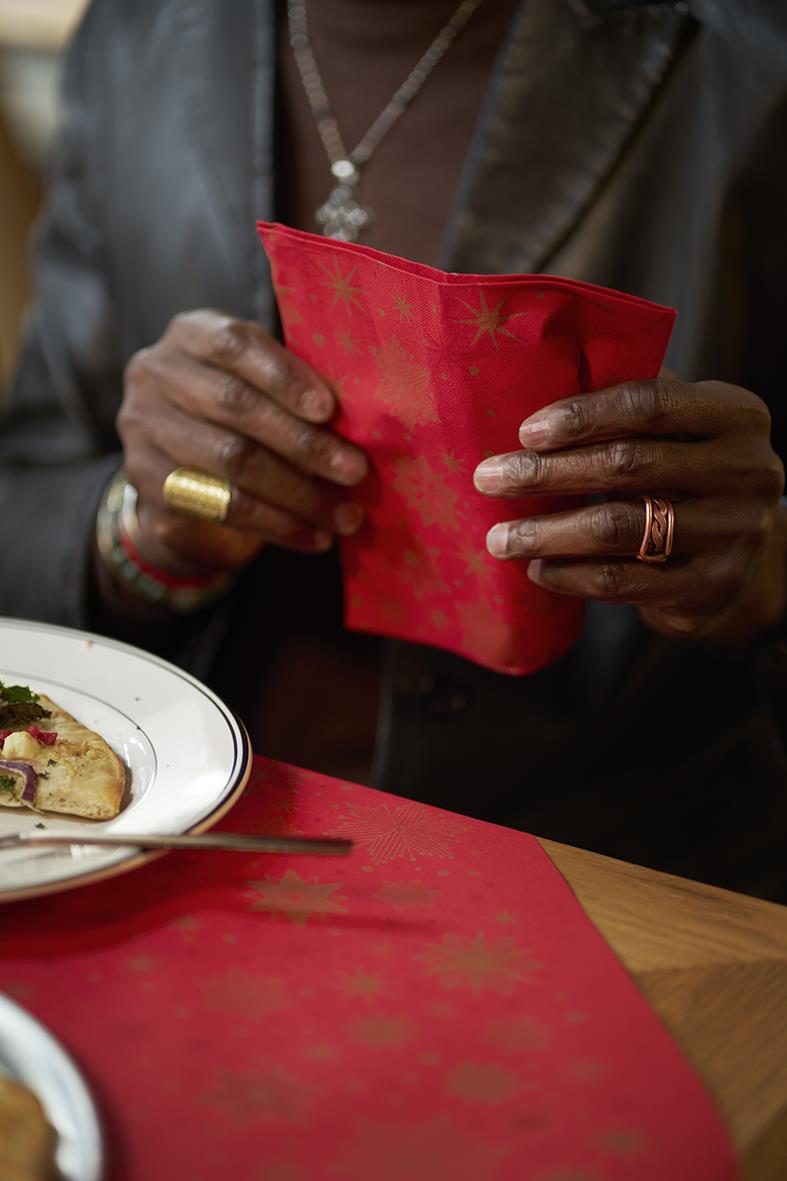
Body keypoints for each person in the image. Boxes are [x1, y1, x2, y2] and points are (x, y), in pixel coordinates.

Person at [1, 0, 786, 901]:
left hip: (609, 871)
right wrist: (145, 537)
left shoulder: (747, 62)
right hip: (183, 841)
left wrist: (759, 573)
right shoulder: (136, 36)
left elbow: (760, 551)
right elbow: (30, 484)